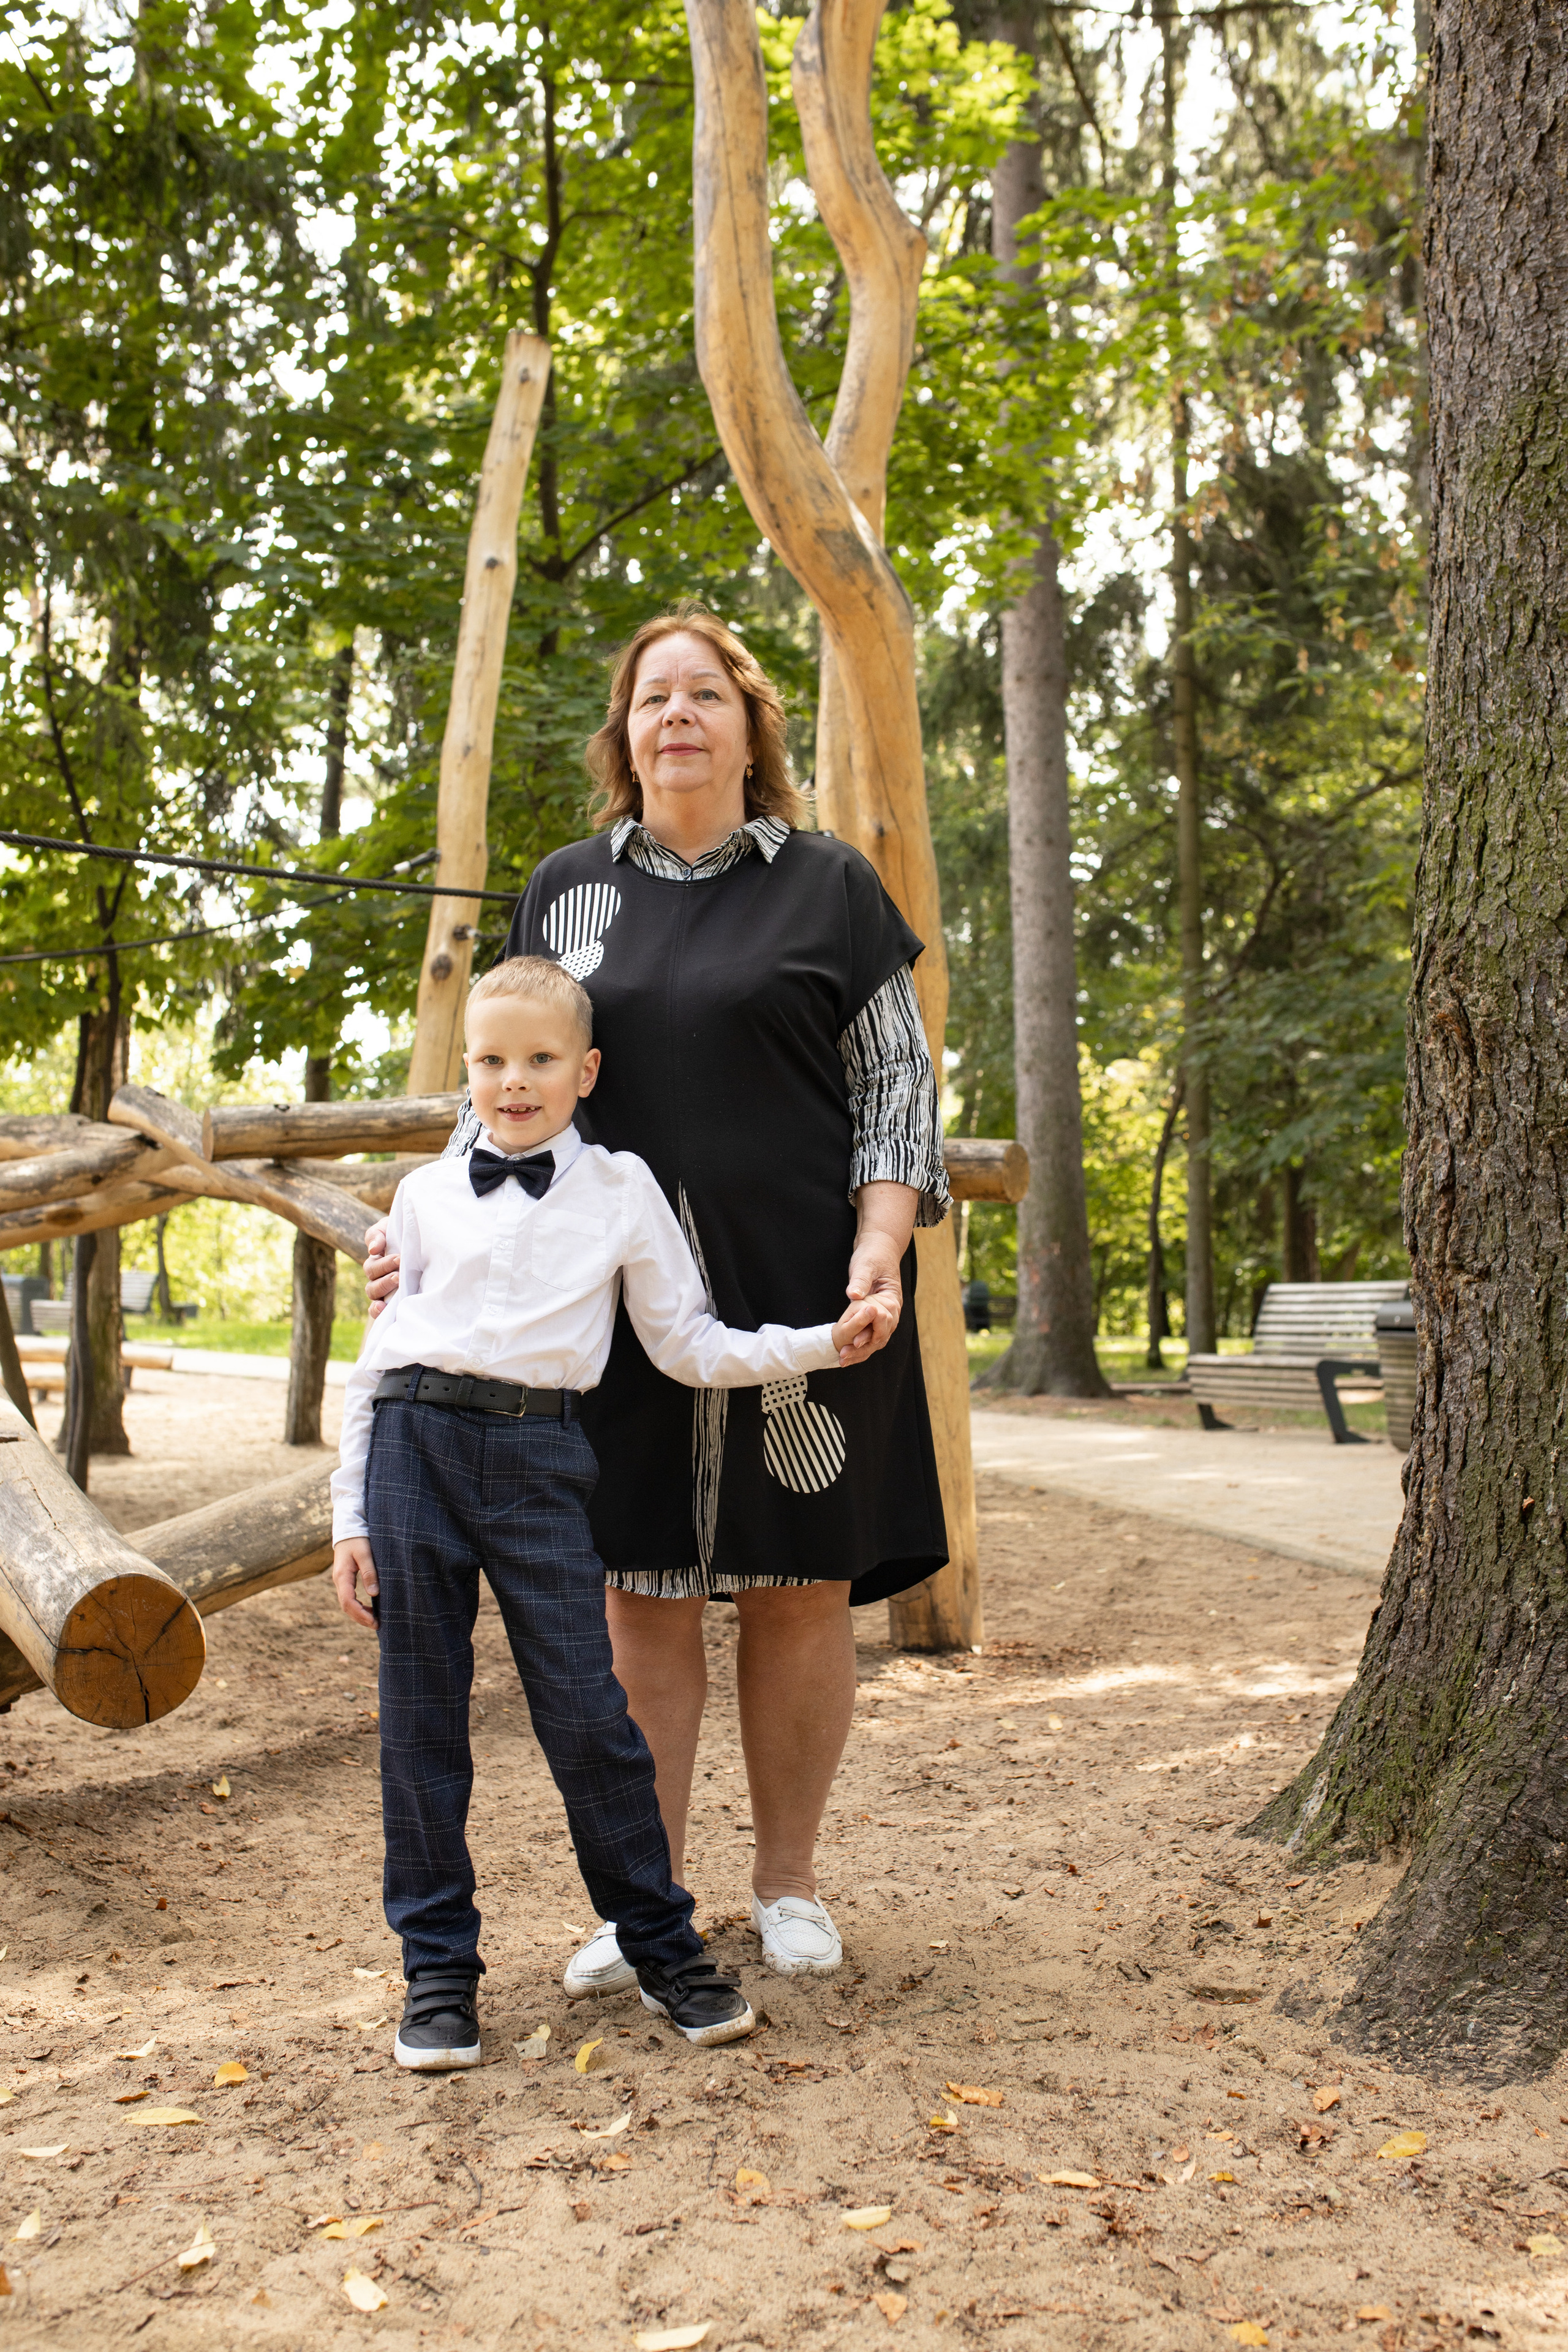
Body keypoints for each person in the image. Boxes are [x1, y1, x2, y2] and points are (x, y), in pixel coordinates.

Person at [364, 603, 951, 1995]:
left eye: (704, 693)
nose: (675, 713)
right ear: (625, 740)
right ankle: (649, 1901)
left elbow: (894, 1086)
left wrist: (882, 1241)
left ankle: (789, 1886)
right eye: (651, 698)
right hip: (606, 1302)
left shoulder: (830, 884)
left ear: (751, 731)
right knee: (639, 1593)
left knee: (799, 1584)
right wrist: (432, 1234)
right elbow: (507, 1073)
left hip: (808, 1286)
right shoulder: (564, 888)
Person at [331, 954, 891, 2071]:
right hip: (411, 1448)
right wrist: (350, 1513)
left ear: (585, 1071)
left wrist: (823, 1346)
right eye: (491, 1061)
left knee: (591, 1718)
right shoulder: (425, 1194)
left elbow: (689, 1346)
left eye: (540, 1059)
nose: (514, 1081)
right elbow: (378, 1353)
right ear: (467, 1073)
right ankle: (438, 1975)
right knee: (420, 1723)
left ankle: (664, 1948)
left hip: (541, 1456)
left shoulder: (622, 1191)